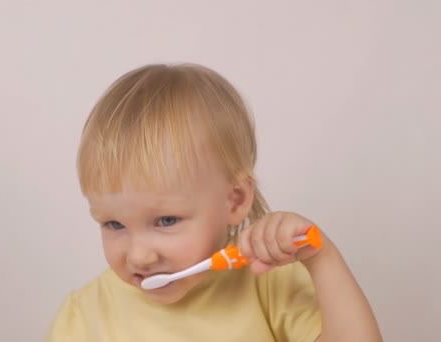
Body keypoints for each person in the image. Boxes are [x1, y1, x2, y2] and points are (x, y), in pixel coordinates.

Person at [46, 63, 382, 341]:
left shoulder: (268, 284)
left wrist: (321, 259)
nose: (139, 256)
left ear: (234, 200)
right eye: (114, 224)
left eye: (166, 221)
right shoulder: (83, 316)